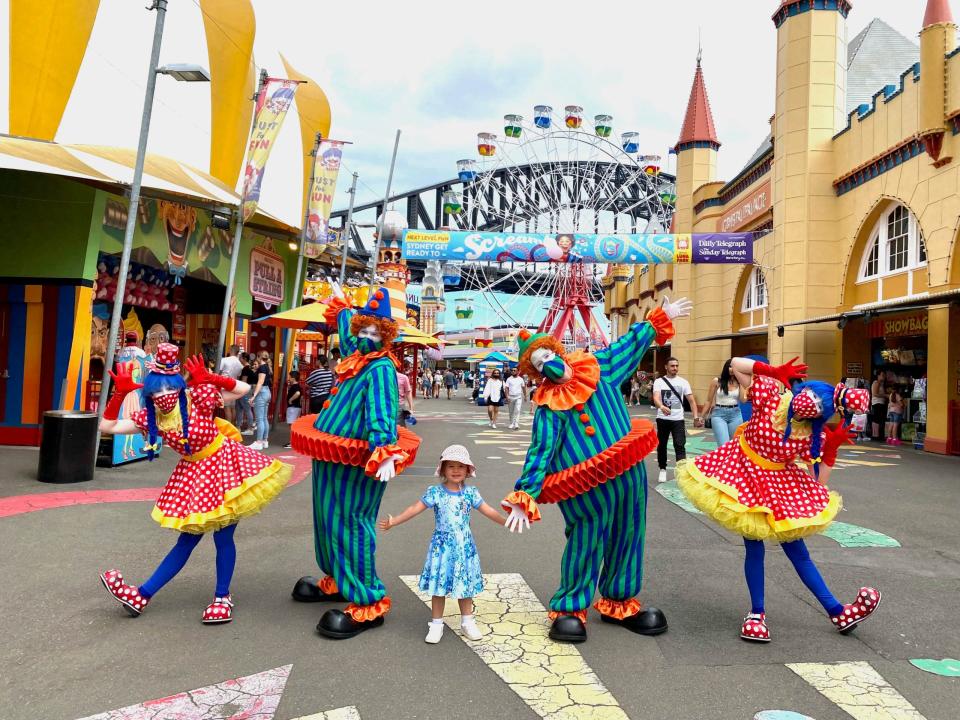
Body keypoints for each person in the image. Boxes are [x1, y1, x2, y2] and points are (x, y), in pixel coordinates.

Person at [503, 297, 691, 643]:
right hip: (584, 486)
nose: (547, 364)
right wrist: (524, 494)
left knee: (630, 534)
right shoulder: (548, 406)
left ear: (556, 350)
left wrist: (655, 321)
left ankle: (620, 600)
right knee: (586, 540)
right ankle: (571, 605)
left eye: (546, 354)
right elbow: (541, 451)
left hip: (628, 471)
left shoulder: (596, 366)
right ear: (534, 371)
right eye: (538, 362)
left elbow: (626, 348)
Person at [676, 357, 880, 643]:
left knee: (796, 551)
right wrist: (770, 371)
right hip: (743, 473)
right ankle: (758, 613)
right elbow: (734, 365)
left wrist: (829, 450)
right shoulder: (773, 394)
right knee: (755, 546)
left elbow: (818, 485)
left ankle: (836, 611)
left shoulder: (808, 433)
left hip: (777, 484)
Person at [97, 346, 291, 624]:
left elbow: (242, 390)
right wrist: (119, 394)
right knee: (187, 539)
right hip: (195, 475)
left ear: (177, 385)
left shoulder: (195, 397)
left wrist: (211, 377)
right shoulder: (151, 417)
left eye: (168, 388)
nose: (163, 395)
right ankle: (142, 594)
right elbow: (108, 427)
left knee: (223, 536)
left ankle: (221, 597)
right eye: (157, 390)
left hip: (225, 466)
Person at [290, 285, 421, 639]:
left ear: (386, 338)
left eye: (373, 333)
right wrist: (345, 305)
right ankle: (336, 577)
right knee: (325, 517)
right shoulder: (356, 354)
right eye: (362, 331)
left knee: (350, 521)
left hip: (358, 459)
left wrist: (383, 451)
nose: (365, 337)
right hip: (330, 452)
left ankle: (367, 601)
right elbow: (348, 323)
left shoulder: (379, 369)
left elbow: (381, 412)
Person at [378, 445, 505, 643]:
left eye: (460, 466)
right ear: (443, 470)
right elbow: (415, 508)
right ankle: (436, 624)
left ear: (467, 470)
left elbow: (488, 510)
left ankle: (467, 622)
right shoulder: (435, 492)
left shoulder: (471, 493)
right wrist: (395, 521)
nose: (456, 470)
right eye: (451, 466)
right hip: (442, 548)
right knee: (438, 587)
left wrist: (507, 522)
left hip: (464, 547)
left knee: (465, 587)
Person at [652, 357, 701, 484]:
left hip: (678, 419)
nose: (675, 368)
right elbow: (656, 398)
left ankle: (681, 473)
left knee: (680, 445)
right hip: (662, 419)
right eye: (672, 366)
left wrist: (696, 418)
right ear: (666, 367)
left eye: (677, 366)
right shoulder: (659, 382)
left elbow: (691, 401)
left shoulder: (683, 382)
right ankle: (662, 469)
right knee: (661, 445)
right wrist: (662, 407)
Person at [701, 359, 747, 446]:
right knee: (723, 445)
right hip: (719, 414)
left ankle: (730, 460)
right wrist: (701, 417)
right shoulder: (717, 381)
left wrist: (743, 383)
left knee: (734, 445)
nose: (732, 369)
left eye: (735, 367)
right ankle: (722, 459)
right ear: (726, 368)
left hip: (736, 414)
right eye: (730, 367)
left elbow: (743, 400)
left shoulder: (740, 382)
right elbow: (708, 401)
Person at [249, 351, 274, 450]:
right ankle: (264, 441)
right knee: (264, 418)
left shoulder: (262, 368)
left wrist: (254, 396)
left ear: (259, 357)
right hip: (267, 392)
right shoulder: (267, 367)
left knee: (260, 419)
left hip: (262, 392)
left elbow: (260, 382)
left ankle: (259, 442)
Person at [218, 345, 244, 425]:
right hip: (234, 386)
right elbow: (238, 376)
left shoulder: (224, 360)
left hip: (225, 385)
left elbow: (218, 372)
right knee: (233, 407)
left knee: (227, 408)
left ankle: (228, 427)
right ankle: (233, 425)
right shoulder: (240, 364)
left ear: (230, 350)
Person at [237, 353, 256, 435]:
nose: (239, 359)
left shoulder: (245, 369)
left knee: (246, 409)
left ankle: (249, 428)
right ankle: (240, 426)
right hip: (248, 390)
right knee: (242, 409)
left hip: (244, 391)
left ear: (244, 358)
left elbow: (243, 381)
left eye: (240, 358)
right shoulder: (249, 368)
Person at [282, 370, 302, 449]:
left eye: (290, 377)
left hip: (293, 407)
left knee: (292, 425)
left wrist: (290, 400)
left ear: (293, 378)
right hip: (296, 407)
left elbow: (298, 393)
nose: (289, 378)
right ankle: (294, 441)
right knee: (294, 425)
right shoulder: (297, 386)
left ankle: (292, 442)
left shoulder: (295, 386)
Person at [869, 370, 887, 442]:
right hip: (877, 403)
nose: (884, 377)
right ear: (878, 376)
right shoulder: (876, 383)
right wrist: (885, 395)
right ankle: (875, 435)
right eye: (882, 375)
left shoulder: (881, 384)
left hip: (881, 403)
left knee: (879, 419)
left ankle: (877, 435)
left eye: (884, 375)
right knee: (876, 419)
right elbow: (875, 394)